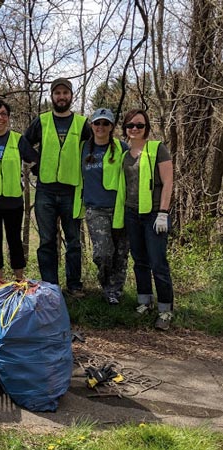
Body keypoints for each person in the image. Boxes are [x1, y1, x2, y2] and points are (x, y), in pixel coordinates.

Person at [24, 77, 91, 297]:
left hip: (72, 190)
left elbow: (94, 149)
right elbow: (24, 143)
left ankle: (74, 285)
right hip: (45, 191)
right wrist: (35, 163)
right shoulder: (42, 121)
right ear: (52, 96)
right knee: (46, 241)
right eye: (57, 93)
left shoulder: (82, 123)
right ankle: (50, 286)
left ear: (71, 96)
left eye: (65, 93)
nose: (61, 97)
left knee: (73, 241)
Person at [114, 108, 174, 330]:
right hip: (132, 213)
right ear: (126, 129)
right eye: (130, 125)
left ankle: (165, 310)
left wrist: (163, 213)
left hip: (154, 214)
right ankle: (144, 302)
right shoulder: (124, 155)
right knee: (139, 261)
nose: (135, 129)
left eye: (139, 125)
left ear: (146, 127)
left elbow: (168, 182)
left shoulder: (157, 149)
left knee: (158, 262)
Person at [73, 108, 129, 305]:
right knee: (103, 253)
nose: (101, 127)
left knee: (120, 253)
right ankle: (105, 283)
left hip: (120, 208)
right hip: (95, 208)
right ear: (92, 125)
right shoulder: (83, 149)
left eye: (106, 123)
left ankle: (114, 292)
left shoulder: (122, 148)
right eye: (97, 123)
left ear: (112, 126)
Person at [0, 99, 39, 280]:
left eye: (4, 114)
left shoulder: (18, 139)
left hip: (13, 201)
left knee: (14, 240)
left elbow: (35, 160)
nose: (0, 118)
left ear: (8, 118)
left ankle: (19, 279)